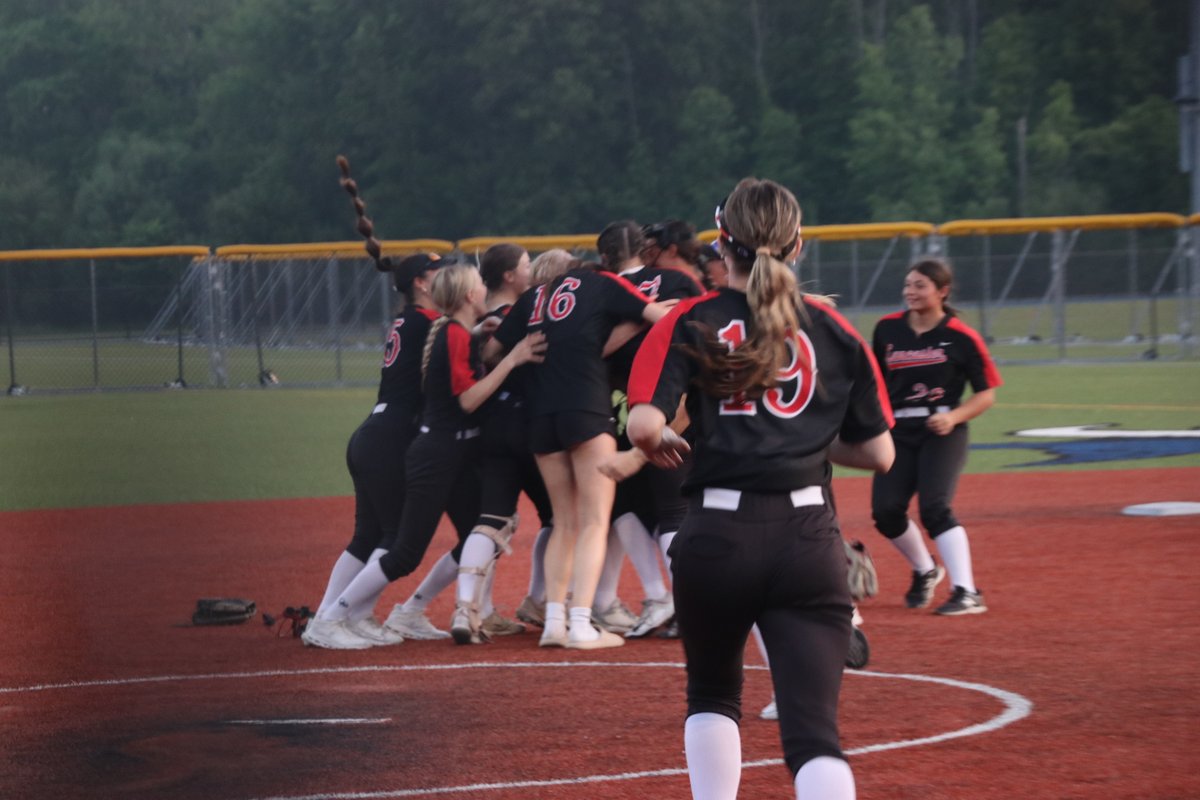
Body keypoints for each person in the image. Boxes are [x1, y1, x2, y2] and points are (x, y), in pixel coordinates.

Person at [626, 177, 894, 800]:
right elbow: (880, 454)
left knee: (714, 694)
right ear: (797, 245)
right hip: (807, 536)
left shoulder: (691, 318)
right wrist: (798, 440)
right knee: (814, 734)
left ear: (722, 244)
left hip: (718, 532)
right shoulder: (833, 327)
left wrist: (658, 439)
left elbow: (642, 424)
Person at [303, 262, 546, 646]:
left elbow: (452, 350)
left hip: (436, 445)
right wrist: (511, 357)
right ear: (469, 295)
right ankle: (331, 618)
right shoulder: (445, 330)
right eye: (479, 284)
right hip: (429, 449)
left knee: (478, 533)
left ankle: (406, 611)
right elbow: (467, 398)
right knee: (402, 550)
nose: (485, 288)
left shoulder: (445, 329)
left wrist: (477, 337)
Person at [488, 234, 674, 650]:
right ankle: (581, 623)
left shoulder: (530, 299)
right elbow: (659, 315)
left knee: (564, 522)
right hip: (587, 409)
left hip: (540, 417)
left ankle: (554, 623)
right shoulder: (600, 282)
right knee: (594, 521)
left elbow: (492, 350)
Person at [302, 254, 445, 649]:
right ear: (420, 283)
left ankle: (341, 615)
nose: (447, 276)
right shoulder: (428, 323)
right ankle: (334, 618)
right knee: (395, 536)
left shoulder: (409, 320)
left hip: (375, 432)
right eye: (439, 271)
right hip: (391, 438)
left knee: (368, 535)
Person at [870, 257, 1001, 615]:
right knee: (886, 512)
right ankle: (925, 569)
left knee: (934, 508)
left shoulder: (961, 336)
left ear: (942, 291)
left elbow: (986, 394)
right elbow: (873, 382)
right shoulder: (887, 329)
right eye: (908, 284)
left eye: (920, 285)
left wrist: (954, 417)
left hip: (942, 430)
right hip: (897, 430)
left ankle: (967, 591)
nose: (910, 291)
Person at [450, 243, 555, 644]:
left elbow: (485, 355)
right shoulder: (530, 309)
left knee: (491, 519)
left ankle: (466, 607)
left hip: (492, 428)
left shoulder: (475, 322)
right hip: (530, 427)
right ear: (509, 276)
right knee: (562, 519)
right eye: (526, 264)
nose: (531, 269)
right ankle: (543, 600)